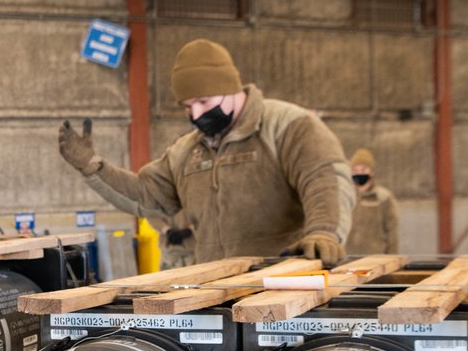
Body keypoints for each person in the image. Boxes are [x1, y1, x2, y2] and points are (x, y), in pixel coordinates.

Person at [58, 39, 354, 264]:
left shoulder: (289, 126)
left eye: (203, 101)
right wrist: (93, 168)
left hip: (281, 284)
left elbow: (324, 179)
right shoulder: (186, 150)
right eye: (187, 106)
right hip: (214, 289)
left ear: (232, 88)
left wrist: (324, 232)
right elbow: (147, 196)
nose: (196, 114)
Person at [345, 148, 399, 255]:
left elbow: (392, 233)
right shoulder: (345, 197)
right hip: (346, 259)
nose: (359, 173)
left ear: (372, 171)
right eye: (355, 170)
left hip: (376, 260)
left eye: (363, 169)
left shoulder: (384, 198)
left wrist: (391, 258)